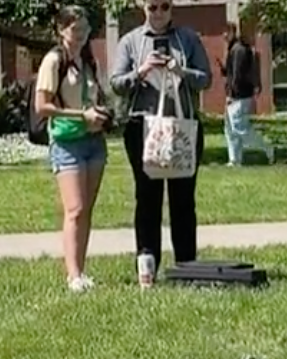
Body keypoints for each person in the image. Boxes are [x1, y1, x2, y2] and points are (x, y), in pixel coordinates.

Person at [109, 0, 212, 287]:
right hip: (142, 128)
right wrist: (140, 71)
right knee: (147, 198)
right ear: (144, 7)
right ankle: (147, 265)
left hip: (182, 126)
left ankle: (186, 266)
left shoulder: (188, 39)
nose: (158, 13)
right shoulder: (131, 41)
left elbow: (206, 80)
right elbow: (115, 82)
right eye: (152, 7)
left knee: (183, 199)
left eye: (164, 7)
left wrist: (181, 71)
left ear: (172, 9)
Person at [35, 6, 111, 293]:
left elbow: (93, 95)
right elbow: (42, 107)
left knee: (87, 210)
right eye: (74, 29)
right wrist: (82, 116)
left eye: (84, 30)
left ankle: (82, 269)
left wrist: (100, 113)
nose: (80, 35)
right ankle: (73, 275)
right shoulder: (54, 60)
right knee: (75, 209)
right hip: (67, 142)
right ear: (61, 30)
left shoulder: (89, 60)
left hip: (94, 142)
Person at [220, 22, 274, 167]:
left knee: (239, 127)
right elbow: (231, 72)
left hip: (240, 95)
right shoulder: (234, 48)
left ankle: (266, 147)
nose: (224, 36)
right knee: (230, 128)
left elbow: (237, 75)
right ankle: (234, 159)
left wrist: (231, 95)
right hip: (237, 94)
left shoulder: (239, 50)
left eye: (226, 32)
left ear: (232, 32)